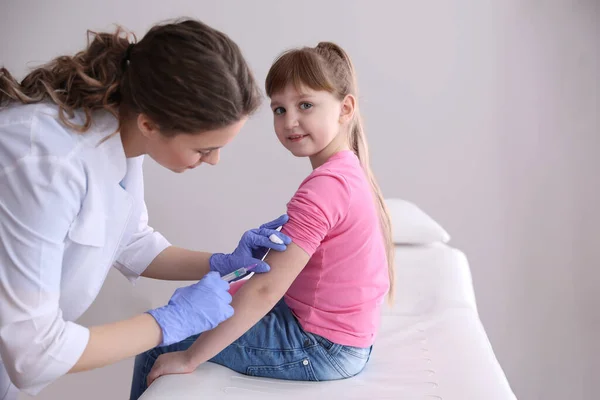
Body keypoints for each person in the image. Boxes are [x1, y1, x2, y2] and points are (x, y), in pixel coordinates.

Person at [0, 18, 292, 399]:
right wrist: (168, 322)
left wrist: (221, 262)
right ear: (150, 123)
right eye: (204, 149)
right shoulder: (47, 161)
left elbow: (130, 241)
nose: (214, 160)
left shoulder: (122, 134)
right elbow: (34, 353)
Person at [130, 41, 395, 399]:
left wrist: (191, 357)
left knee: (158, 340)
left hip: (319, 348)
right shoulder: (348, 172)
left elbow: (267, 290)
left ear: (345, 108)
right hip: (345, 340)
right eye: (279, 109)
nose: (290, 121)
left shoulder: (325, 188)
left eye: (305, 105)